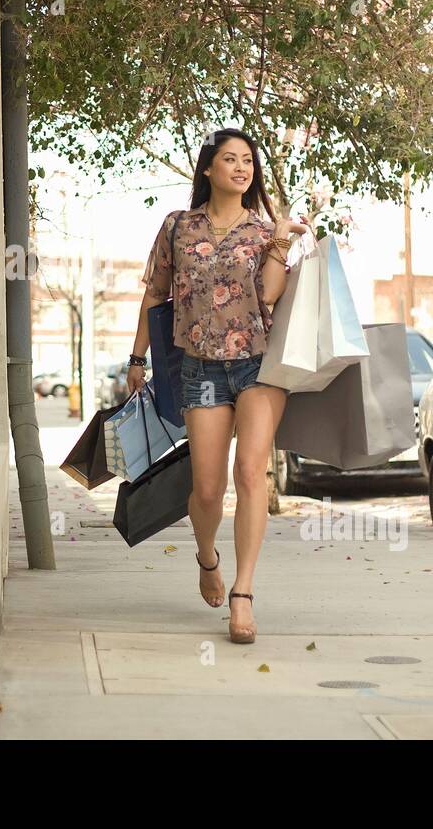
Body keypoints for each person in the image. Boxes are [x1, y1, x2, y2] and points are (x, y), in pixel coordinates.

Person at [128, 128, 310, 644]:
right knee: (207, 488)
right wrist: (136, 355)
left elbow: (270, 295)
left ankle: (244, 593)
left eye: (248, 160)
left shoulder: (262, 230)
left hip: (258, 365)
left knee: (251, 473)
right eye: (229, 159)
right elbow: (155, 295)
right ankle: (207, 556)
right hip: (200, 366)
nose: (241, 168)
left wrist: (279, 243)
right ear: (208, 168)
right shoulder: (178, 227)